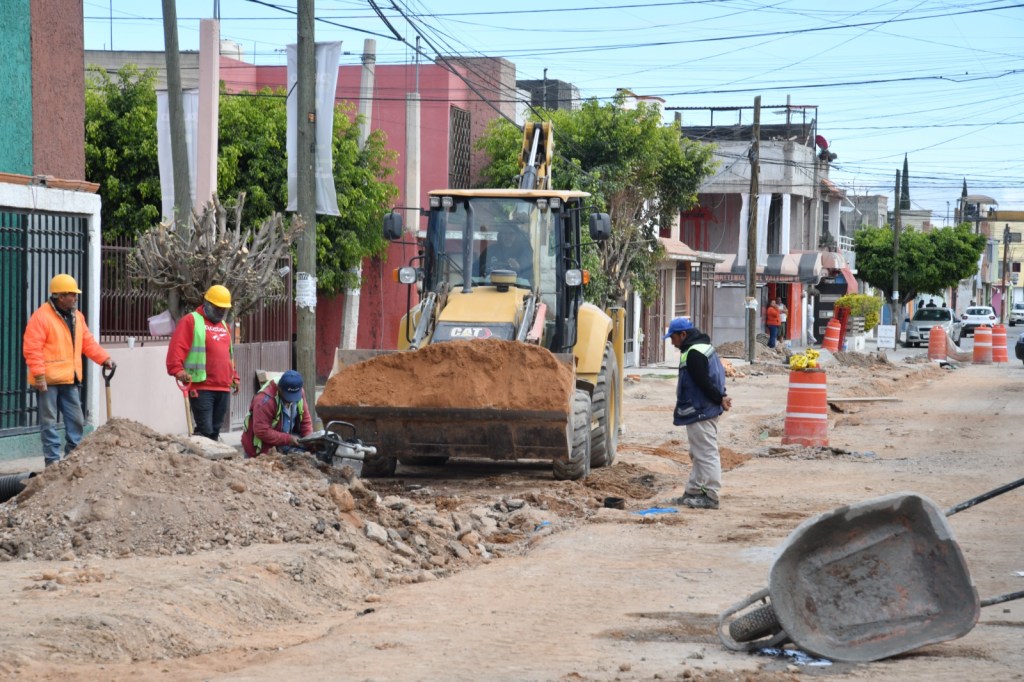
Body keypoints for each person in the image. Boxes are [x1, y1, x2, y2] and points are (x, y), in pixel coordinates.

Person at [23, 274, 116, 467]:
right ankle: (52, 461)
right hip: (47, 381)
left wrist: (103, 358)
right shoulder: (41, 317)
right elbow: (32, 348)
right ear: (59, 296)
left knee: (76, 420)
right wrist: (39, 375)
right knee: (48, 422)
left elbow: (87, 342)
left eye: (75, 295)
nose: (75, 298)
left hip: (69, 379)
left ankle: (73, 458)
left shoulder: (77, 317)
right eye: (71, 295)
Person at [664, 317, 732, 510]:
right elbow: (715, 376)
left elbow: (704, 381)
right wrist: (722, 396)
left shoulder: (693, 353)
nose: (672, 342)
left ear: (683, 335)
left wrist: (720, 397)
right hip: (704, 408)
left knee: (706, 453)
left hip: (701, 409)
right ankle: (693, 490)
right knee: (698, 452)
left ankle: (711, 495)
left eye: (673, 338)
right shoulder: (703, 347)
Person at [166, 285, 240, 441]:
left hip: (223, 386)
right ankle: (197, 459)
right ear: (207, 303)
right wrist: (178, 370)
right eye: (218, 308)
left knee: (215, 429)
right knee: (205, 429)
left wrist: (235, 376)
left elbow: (229, 354)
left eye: (224, 309)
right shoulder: (191, 320)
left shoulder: (225, 326)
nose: (221, 312)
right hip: (201, 385)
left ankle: (209, 463)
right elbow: (177, 347)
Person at [241, 370, 314, 458]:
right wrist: (288, 439)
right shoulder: (264, 401)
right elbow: (261, 430)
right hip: (260, 450)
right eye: (288, 397)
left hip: (283, 442)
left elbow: (305, 420)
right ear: (279, 388)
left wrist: (309, 440)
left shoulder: (299, 392)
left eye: (294, 397)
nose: (290, 401)